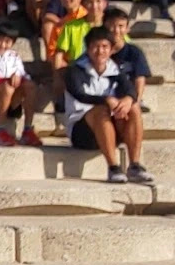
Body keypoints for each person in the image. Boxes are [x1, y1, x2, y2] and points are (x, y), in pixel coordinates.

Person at [59, 33, 151, 184]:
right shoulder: (75, 70)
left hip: (111, 127)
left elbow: (131, 90)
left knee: (133, 107)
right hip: (82, 131)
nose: (100, 51)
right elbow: (79, 94)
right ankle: (113, 167)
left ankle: (134, 165)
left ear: (111, 50)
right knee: (101, 110)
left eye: (104, 47)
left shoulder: (115, 70)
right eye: (95, 47)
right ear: (88, 49)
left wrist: (128, 99)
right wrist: (106, 100)